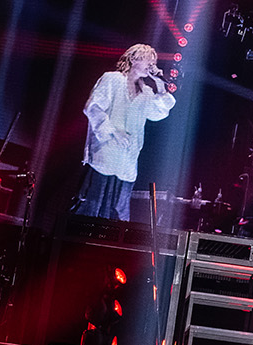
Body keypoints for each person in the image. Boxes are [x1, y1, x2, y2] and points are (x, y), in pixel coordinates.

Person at [74, 44, 176, 221]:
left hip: (126, 164)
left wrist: (160, 84)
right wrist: (113, 132)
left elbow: (159, 113)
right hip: (104, 157)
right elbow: (93, 108)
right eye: (148, 59)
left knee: (117, 217)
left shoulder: (146, 92)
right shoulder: (112, 79)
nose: (152, 64)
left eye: (154, 61)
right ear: (133, 59)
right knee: (90, 210)